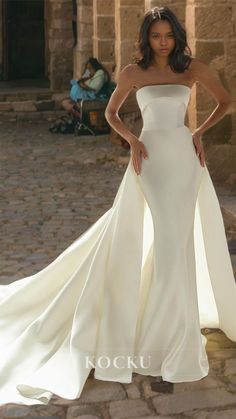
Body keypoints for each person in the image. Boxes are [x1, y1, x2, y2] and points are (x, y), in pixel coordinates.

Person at [0, 5, 235, 406]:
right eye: (156, 36)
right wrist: (132, 139)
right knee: (166, 243)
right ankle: (164, 333)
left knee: (176, 244)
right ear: (146, 38)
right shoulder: (131, 72)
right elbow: (110, 112)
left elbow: (226, 101)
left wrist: (197, 132)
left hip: (183, 160)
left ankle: (173, 330)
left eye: (169, 36)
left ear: (177, 37)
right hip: (151, 162)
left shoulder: (191, 68)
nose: (163, 42)